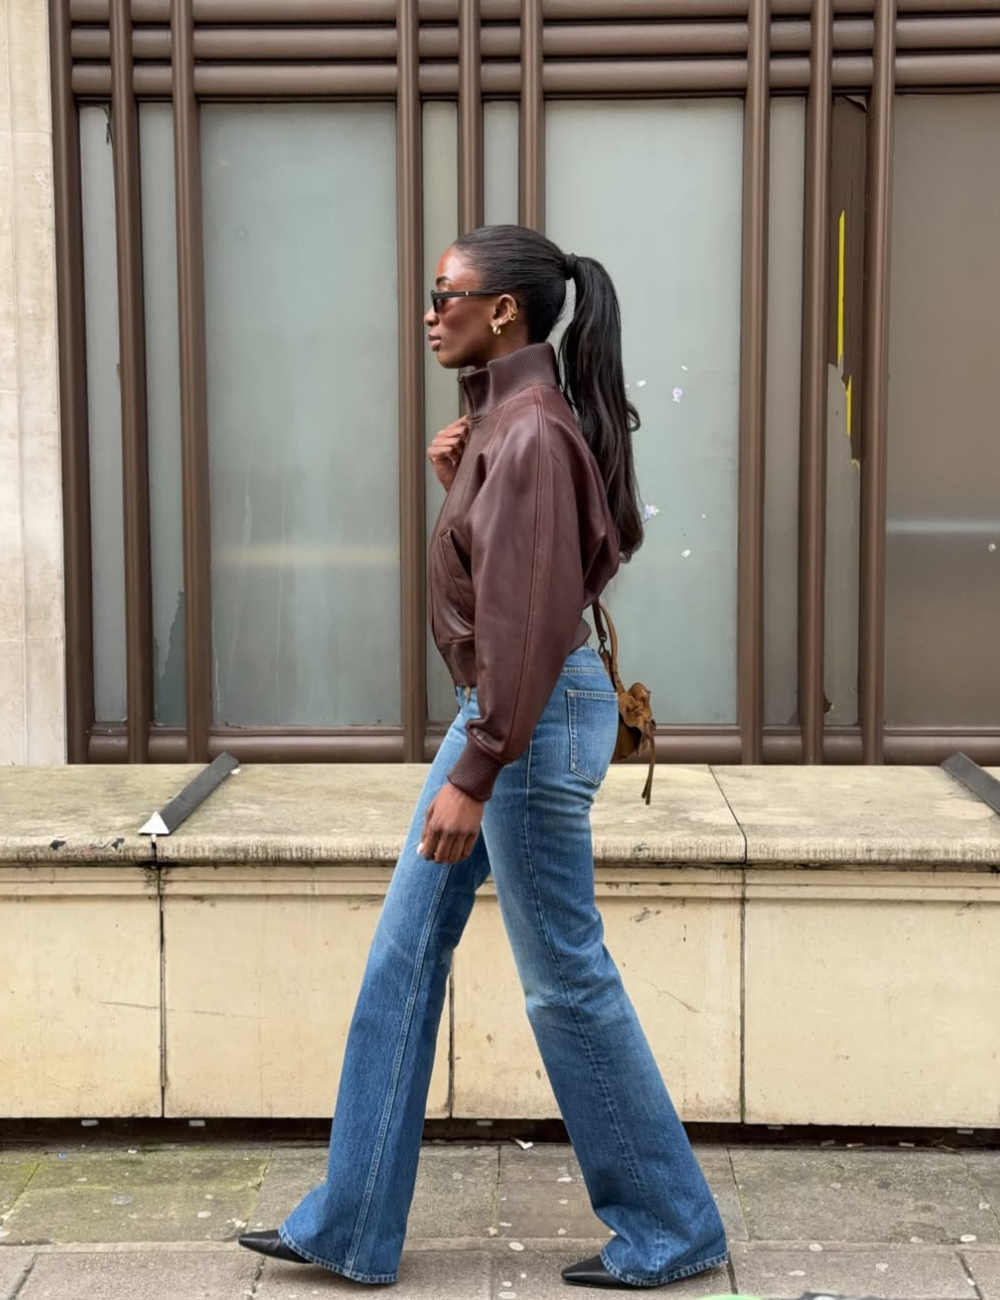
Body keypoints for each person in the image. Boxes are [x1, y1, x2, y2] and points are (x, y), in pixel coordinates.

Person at [238, 225, 727, 1289]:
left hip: (523, 721)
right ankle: (351, 1222)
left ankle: (671, 1223)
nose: (429, 310)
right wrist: (459, 474)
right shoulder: (505, 425)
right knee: (403, 960)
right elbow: (517, 578)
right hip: (508, 714)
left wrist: (477, 766)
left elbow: (528, 615)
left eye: (443, 292)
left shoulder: (533, 433)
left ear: (502, 309)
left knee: (563, 977)